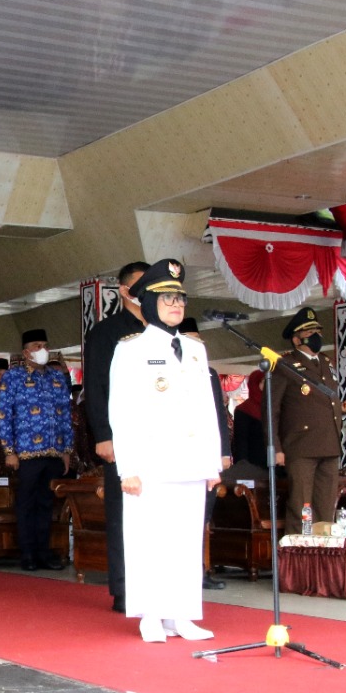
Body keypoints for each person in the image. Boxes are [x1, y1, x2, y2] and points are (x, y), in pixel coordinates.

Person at [107, 259, 221, 643]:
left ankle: (183, 615)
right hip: (151, 465)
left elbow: (208, 409)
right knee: (149, 542)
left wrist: (212, 461)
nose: (176, 305)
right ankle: (151, 616)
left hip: (189, 462)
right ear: (148, 302)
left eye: (180, 299)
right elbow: (120, 412)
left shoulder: (193, 349)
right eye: (167, 298)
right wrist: (128, 469)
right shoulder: (132, 349)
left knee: (186, 543)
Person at [82, 260, 149, 613]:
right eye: (142, 284)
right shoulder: (107, 332)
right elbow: (95, 388)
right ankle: (124, 589)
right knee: (122, 513)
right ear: (124, 291)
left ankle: (156, 586)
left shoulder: (166, 331)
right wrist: (103, 436)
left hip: (158, 439)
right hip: (122, 437)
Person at [270, 307, 346, 533]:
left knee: (326, 506)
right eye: (309, 332)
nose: (316, 335)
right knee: (301, 506)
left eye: (317, 330)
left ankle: (323, 553)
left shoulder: (326, 362)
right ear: (296, 339)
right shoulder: (285, 365)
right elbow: (272, 410)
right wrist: (276, 447)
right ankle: (297, 554)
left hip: (329, 443)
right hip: (300, 445)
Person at [0, 328, 73, 571]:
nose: (42, 350)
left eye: (45, 345)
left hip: (53, 452)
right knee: (27, 504)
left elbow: (65, 415)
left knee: (46, 504)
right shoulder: (13, 377)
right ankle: (28, 554)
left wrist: (66, 449)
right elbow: (4, 416)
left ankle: (44, 553)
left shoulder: (57, 377)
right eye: (37, 346)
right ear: (26, 352)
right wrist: (9, 450)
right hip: (26, 453)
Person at [177, 317, 233, 590]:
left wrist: (223, 452)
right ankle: (181, 574)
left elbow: (218, 416)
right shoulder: (168, 369)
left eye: (199, 340)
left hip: (205, 454)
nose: (197, 344)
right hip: (179, 456)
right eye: (191, 339)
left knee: (203, 516)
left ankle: (200, 570)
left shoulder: (208, 373)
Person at [230, 370, 269, 471]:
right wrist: (242, 467)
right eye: (264, 382)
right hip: (253, 465)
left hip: (278, 463)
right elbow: (240, 442)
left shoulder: (277, 407)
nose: (268, 386)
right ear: (255, 384)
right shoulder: (243, 410)